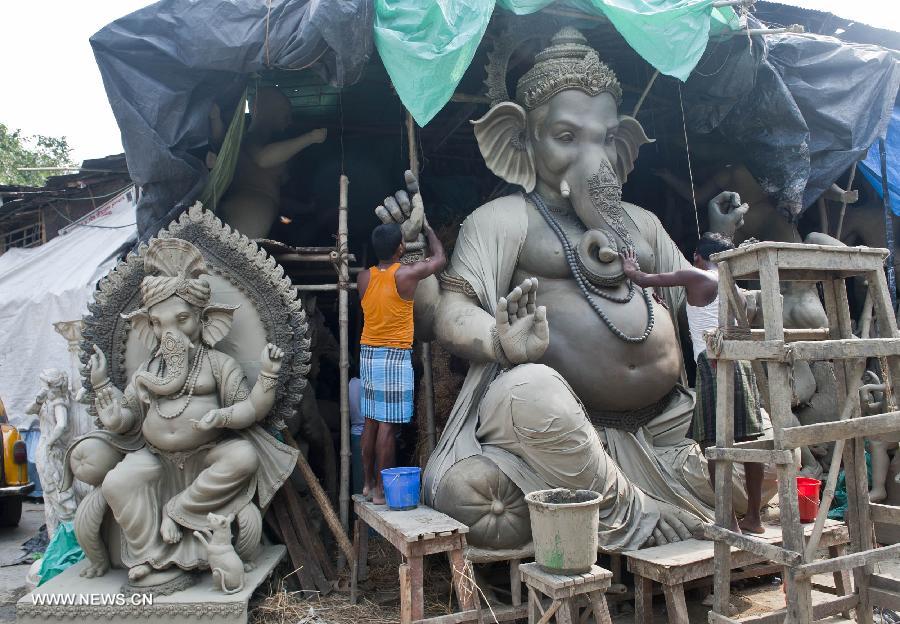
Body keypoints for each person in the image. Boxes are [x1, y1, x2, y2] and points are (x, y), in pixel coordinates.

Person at [622, 232, 765, 533]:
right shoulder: (734, 288)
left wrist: (630, 268)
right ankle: (754, 517)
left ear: (699, 256)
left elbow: (643, 278)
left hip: (713, 364)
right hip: (741, 363)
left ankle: (727, 521)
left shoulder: (695, 274)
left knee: (713, 443)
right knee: (751, 442)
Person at [357, 205, 446, 505]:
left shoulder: (364, 278)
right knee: (387, 425)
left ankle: (369, 485)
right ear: (400, 248)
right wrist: (429, 229)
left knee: (370, 419)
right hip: (394, 355)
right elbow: (439, 259)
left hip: (368, 352)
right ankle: (383, 492)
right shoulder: (406, 275)